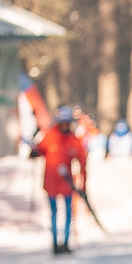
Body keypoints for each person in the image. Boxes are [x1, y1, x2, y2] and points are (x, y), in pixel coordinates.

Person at [29, 105, 88, 255]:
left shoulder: (73, 140)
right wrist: (34, 152)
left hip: (67, 184)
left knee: (68, 213)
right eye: (62, 122)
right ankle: (55, 243)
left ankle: (66, 242)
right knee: (54, 213)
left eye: (66, 123)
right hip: (51, 184)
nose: (64, 125)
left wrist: (83, 183)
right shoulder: (50, 136)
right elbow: (39, 150)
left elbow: (82, 161)